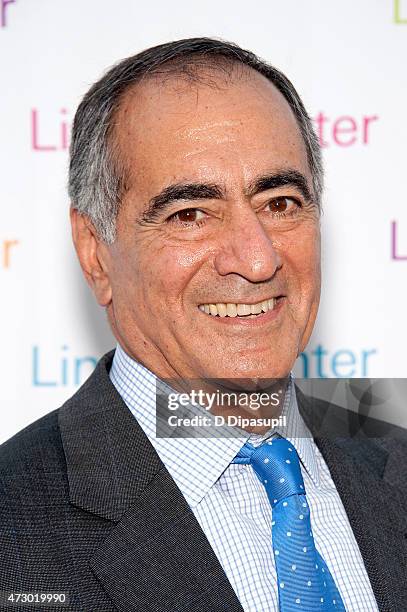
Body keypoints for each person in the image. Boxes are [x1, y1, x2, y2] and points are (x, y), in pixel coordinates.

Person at [0, 37, 406, 612]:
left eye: (281, 203)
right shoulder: (13, 530)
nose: (257, 257)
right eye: (190, 214)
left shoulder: (394, 462)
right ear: (96, 254)